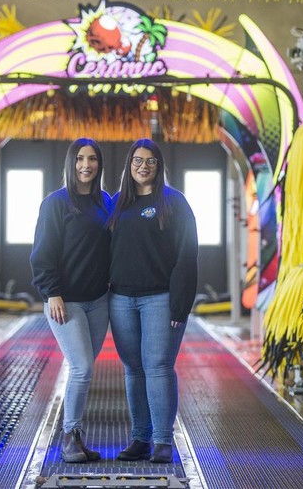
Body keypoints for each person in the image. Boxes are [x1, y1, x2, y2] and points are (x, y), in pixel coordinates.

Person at [107, 138, 198, 464]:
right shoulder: (118, 203)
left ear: (159, 167)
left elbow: (187, 256)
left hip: (160, 298)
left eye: (150, 161)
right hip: (121, 299)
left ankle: (162, 441)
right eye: (137, 161)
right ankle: (140, 439)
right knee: (133, 369)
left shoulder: (174, 202)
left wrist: (180, 303)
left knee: (158, 367)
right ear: (128, 165)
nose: (143, 166)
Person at [30, 138, 111, 463]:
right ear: (70, 162)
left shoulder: (105, 201)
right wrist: (52, 292)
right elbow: (42, 253)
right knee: (81, 367)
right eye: (79, 159)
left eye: (92, 159)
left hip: (98, 300)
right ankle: (69, 437)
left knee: (83, 369)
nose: (86, 165)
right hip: (66, 301)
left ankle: (76, 435)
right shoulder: (56, 203)